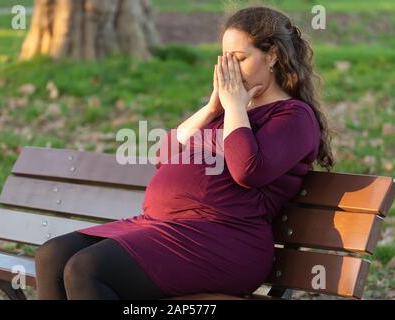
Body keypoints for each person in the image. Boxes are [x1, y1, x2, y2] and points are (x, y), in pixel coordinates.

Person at [34, 6, 335, 300]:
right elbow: (164, 156)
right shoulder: (229, 110)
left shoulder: (293, 116)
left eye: (240, 58)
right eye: (226, 59)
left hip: (223, 241)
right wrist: (211, 108)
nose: (230, 69)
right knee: (52, 256)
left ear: (273, 56)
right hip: (164, 227)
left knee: (87, 270)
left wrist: (232, 108)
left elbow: (248, 170)